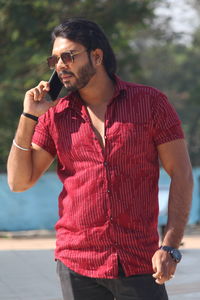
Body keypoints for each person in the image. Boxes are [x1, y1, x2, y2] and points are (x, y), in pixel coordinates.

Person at [7, 18, 193, 300]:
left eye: (68, 56)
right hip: (77, 264)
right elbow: (19, 182)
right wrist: (29, 116)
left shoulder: (150, 103)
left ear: (97, 56)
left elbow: (181, 174)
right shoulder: (55, 116)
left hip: (139, 261)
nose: (60, 66)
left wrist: (169, 246)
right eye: (54, 59)